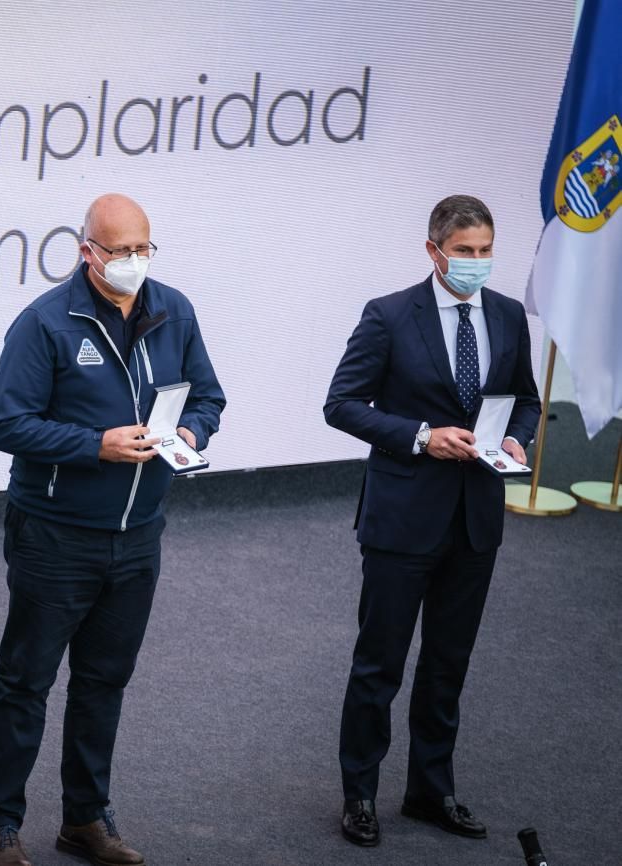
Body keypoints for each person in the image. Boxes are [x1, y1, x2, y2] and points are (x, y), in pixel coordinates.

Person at [0, 194, 226, 866]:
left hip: (140, 533)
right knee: (25, 683)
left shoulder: (174, 310)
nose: (133, 261)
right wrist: (95, 445)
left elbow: (208, 395)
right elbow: (5, 423)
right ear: (87, 252)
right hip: (56, 534)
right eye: (119, 251)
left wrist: (192, 432)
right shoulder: (46, 324)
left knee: (103, 682)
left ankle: (85, 817)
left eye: (144, 248)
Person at [325, 195, 540, 848]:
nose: (476, 264)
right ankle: (360, 792)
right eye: (464, 252)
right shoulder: (389, 316)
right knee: (379, 664)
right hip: (403, 519)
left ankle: (430, 790)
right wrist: (419, 435)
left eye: (485, 252)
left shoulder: (505, 316)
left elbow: (525, 399)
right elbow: (341, 404)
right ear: (434, 251)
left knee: (448, 662)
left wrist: (518, 441)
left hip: (475, 519)